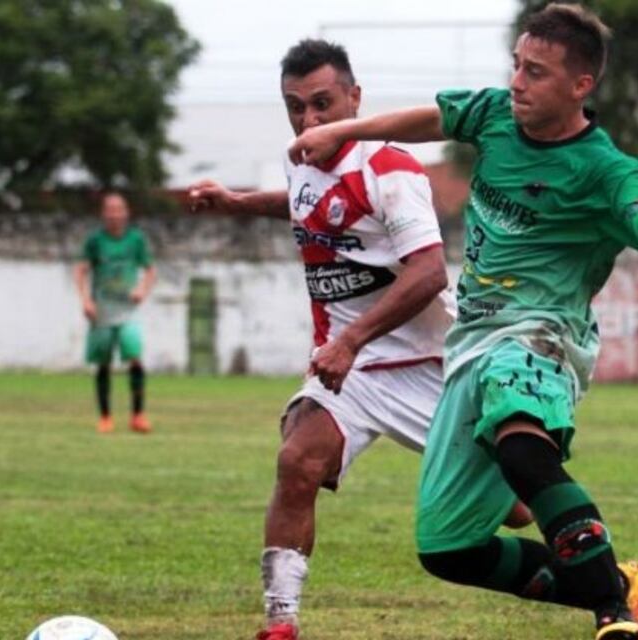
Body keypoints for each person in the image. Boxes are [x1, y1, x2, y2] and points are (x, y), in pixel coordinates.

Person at [290, 5, 638, 640]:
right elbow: (432, 118)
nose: (517, 81)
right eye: (517, 65)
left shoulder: (608, 172)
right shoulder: (495, 116)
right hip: (471, 345)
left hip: (541, 338)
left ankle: (615, 619)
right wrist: (347, 131)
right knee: (448, 548)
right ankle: (615, 582)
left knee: (521, 442)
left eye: (536, 72)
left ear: (581, 86)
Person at [188, 39, 531, 640]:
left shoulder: (391, 169)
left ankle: (607, 579)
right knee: (297, 460)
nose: (309, 120)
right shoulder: (300, 158)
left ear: (355, 97)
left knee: (518, 506)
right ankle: (280, 623)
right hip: (350, 368)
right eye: (295, 106)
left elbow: (428, 273)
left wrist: (350, 342)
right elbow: (308, 208)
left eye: (323, 103)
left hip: (427, 363)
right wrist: (238, 202)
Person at [74, 192, 157, 434]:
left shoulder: (136, 240)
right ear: (103, 214)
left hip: (127, 310)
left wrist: (142, 289)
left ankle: (138, 415)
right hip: (102, 310)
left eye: (118, 209)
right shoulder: (95, 241)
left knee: (135, 358)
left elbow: (150, 270)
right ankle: (105, 417)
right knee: (103, 362)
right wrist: (86, 300)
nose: (114, 214)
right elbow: (80, 270)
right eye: (109, 209)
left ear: (126, 212)